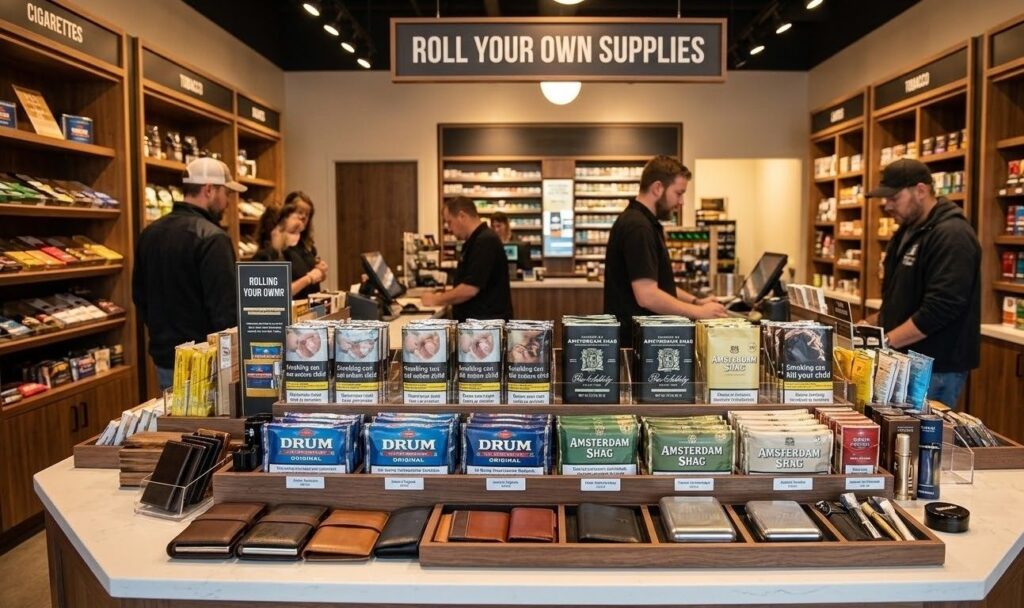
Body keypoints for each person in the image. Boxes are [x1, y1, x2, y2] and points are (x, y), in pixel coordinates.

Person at [863, 158, 981, 407]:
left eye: (894, 198)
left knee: (923, 442)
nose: (887, 205)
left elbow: (941, 307)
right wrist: (869, 327)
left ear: (921, 191)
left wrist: (885, 341)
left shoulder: (952, 234)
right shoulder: (907, 231)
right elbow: (900, 300)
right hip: (904, 361)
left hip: (934, 369)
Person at [132, 158, 245, 390]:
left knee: (175, 422)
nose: (228, 203)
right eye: (227, 193)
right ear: (209, 190)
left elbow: (140, 297)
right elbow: (225, 311)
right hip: (206, 363)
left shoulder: (150, 233)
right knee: (207, 426)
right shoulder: (213, 238)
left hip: (164, 358)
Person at [603, 155, 728, 345]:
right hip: (635, 344)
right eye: (679, 193)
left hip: (641, 340)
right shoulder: (638, 227)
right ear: (658, 188)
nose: (682, 202)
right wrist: (699, 313)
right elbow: (648, 296)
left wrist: (695, 301)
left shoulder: (644, 223)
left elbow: (660, 285)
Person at [421, 196, 513, 321]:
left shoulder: (485, 241)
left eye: (449, 222)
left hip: (486, 330)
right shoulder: (474, 241)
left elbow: (470, 289)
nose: (449, 228)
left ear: (462, 216)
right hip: (479, 327)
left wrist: (436, 299)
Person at [252, 203, 326, 296]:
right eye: (292, 231)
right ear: (276, 230)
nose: (296, 236)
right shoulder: (262, 258)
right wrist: (309, 278)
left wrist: (319, 272)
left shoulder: (290, 253)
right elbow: (278, 294)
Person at [280, 191, 328, 299]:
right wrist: (310, 277)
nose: (303, 217)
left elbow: (315, 276)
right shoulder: (278, 249)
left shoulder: (306, 245)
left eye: (307, 214)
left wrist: (321, 272)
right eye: (300, 212)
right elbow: (280, 293)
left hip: (312, 308)